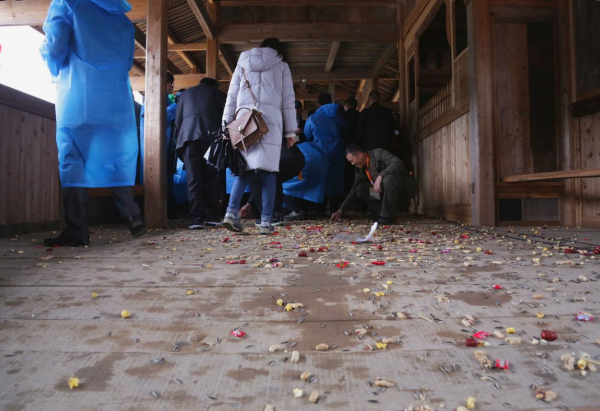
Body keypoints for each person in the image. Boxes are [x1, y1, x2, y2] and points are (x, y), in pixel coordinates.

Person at [40, 0, 146, 247]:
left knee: (73, 158)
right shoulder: (121, 17)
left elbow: (55, 45)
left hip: (78, 90)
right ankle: (131, 212)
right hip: (115, 96)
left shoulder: (67, 4)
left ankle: (77, 230)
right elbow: (128, 61)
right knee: (115, 155)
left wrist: (54, 69)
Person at [221, 37, 296, 235]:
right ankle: (265, 222)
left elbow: (232, 95)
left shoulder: (242, 63)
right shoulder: (282, 66)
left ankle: (230, 212)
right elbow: (288, 100)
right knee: (268, 172)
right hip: (269, 123)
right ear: (278, 50)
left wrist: (226, 124)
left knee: (244, 170)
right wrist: (290, 131)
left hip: (245, 122)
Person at [283, 93, 347, 220]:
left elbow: (308, 134)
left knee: (319, 181)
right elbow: (345, 133)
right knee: (335, 182)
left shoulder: (313, 118)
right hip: (337, 154)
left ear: (318, 104)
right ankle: (335, 209)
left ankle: (319, 210)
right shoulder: (339, 117)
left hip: (319, 153)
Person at [175, 77, 226, 229]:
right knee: (212, 177)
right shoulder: (218, 94)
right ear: (214, 85)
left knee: (193, 179)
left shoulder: (185, 95)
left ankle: (196, 218)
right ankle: (212, 215)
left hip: (188, 139)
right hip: (211, 139)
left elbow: (178, 121)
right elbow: (226, 119)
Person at [331, 143, 411, 225]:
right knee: (360, 189)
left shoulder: (378, 153)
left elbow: (398, 163)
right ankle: (382, 212)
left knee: (387, 179)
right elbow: (353, 191)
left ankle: (388, 217)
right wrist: (340, 210)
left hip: (402, 187)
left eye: (352, 160)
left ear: (359, 154)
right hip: (383, 191)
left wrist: (381, 176)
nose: (352, 164)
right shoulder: (359, 169)